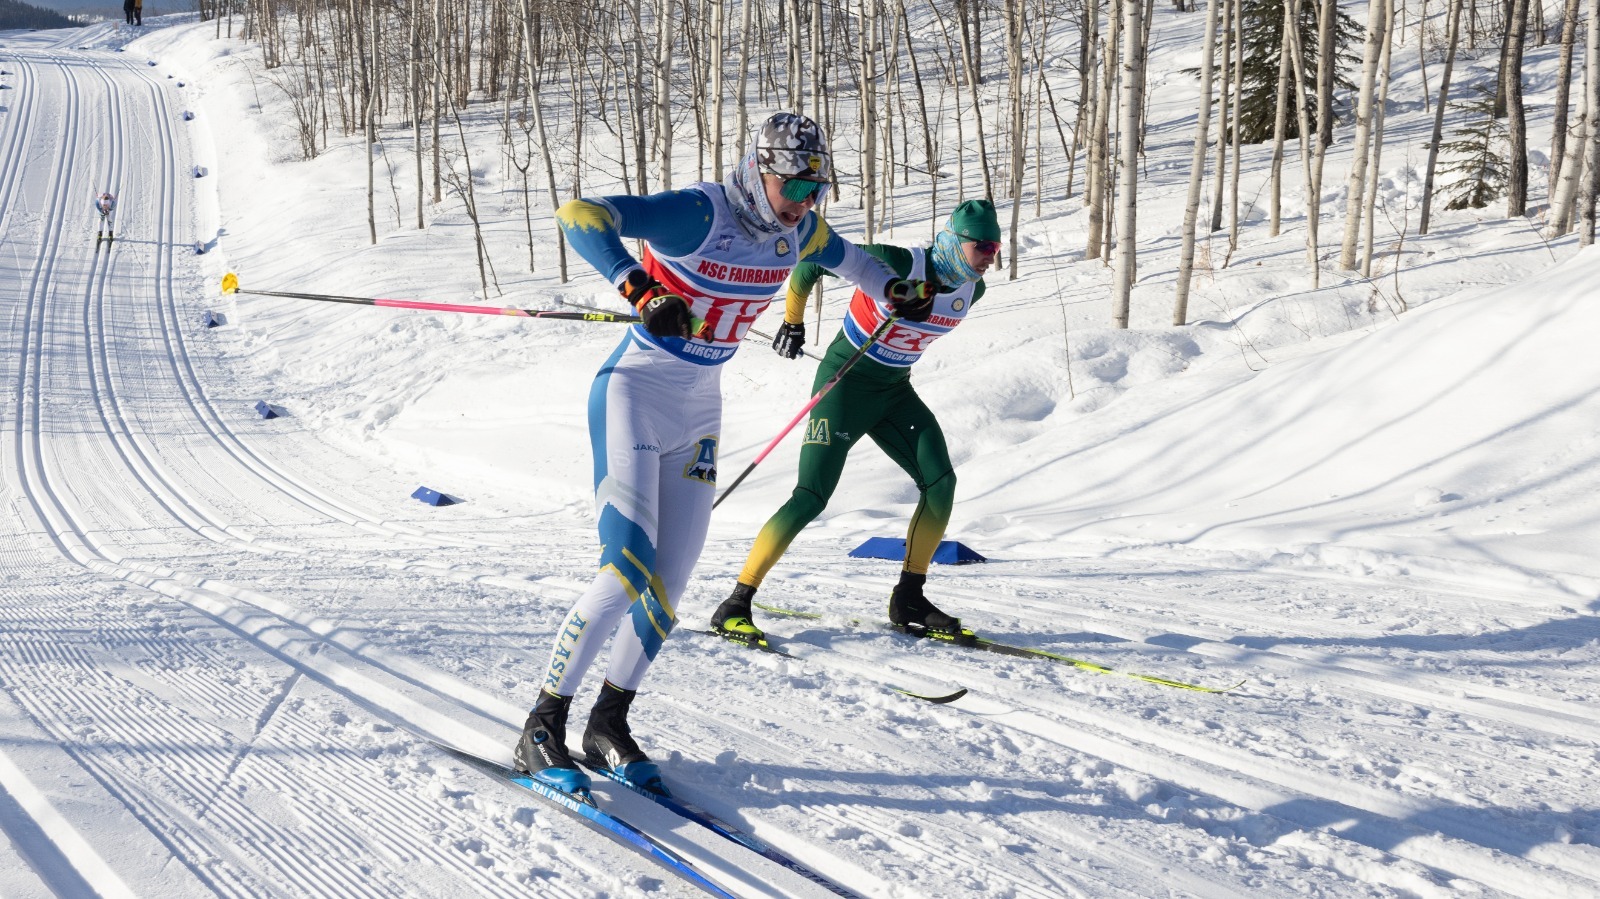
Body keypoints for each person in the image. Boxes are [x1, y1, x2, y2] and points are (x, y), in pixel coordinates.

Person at [511, 112, 935, 799]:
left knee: (670, 584)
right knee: (625, 568)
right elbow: (578, 213)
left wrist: (894, 289)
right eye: (795, 185)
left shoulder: (797, 230)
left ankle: (607, 723)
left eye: (816, 188)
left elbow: (855, 262)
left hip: (700, 410)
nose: (804, 201)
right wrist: (639, 287)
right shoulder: (699, 214)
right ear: (757, 171)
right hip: (635, 393)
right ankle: (540, 723)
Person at [710, 200, 1003, 646]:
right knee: (811, 497)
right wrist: (793, 322)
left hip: (894, 392)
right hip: (845, 384)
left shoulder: (972, 289)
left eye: (997, 245)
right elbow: (810, 264)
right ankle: (736, 602)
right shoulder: (898, 262)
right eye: (983, 245)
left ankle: (910, 598)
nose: (992, 254)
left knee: (940, 483)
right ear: (954, 241)